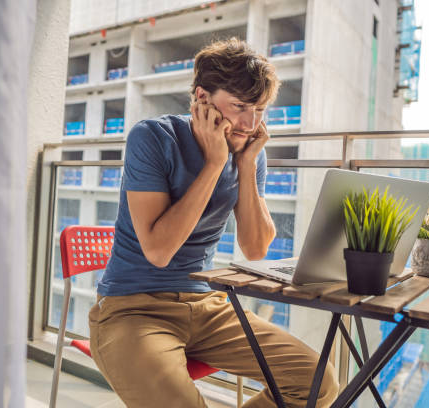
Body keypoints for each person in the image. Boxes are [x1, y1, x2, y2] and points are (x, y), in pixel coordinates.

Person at [88, 38, 339, 408]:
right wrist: (214, 163)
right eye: (240, 106)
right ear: (202, 97)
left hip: (209, 305)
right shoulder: (153, 138)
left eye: (260, 110)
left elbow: (255, 248)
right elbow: (158, 251)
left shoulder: (248, 153)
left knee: (318, 382)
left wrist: (247, 165)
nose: (251, 124)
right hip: (132, 308)